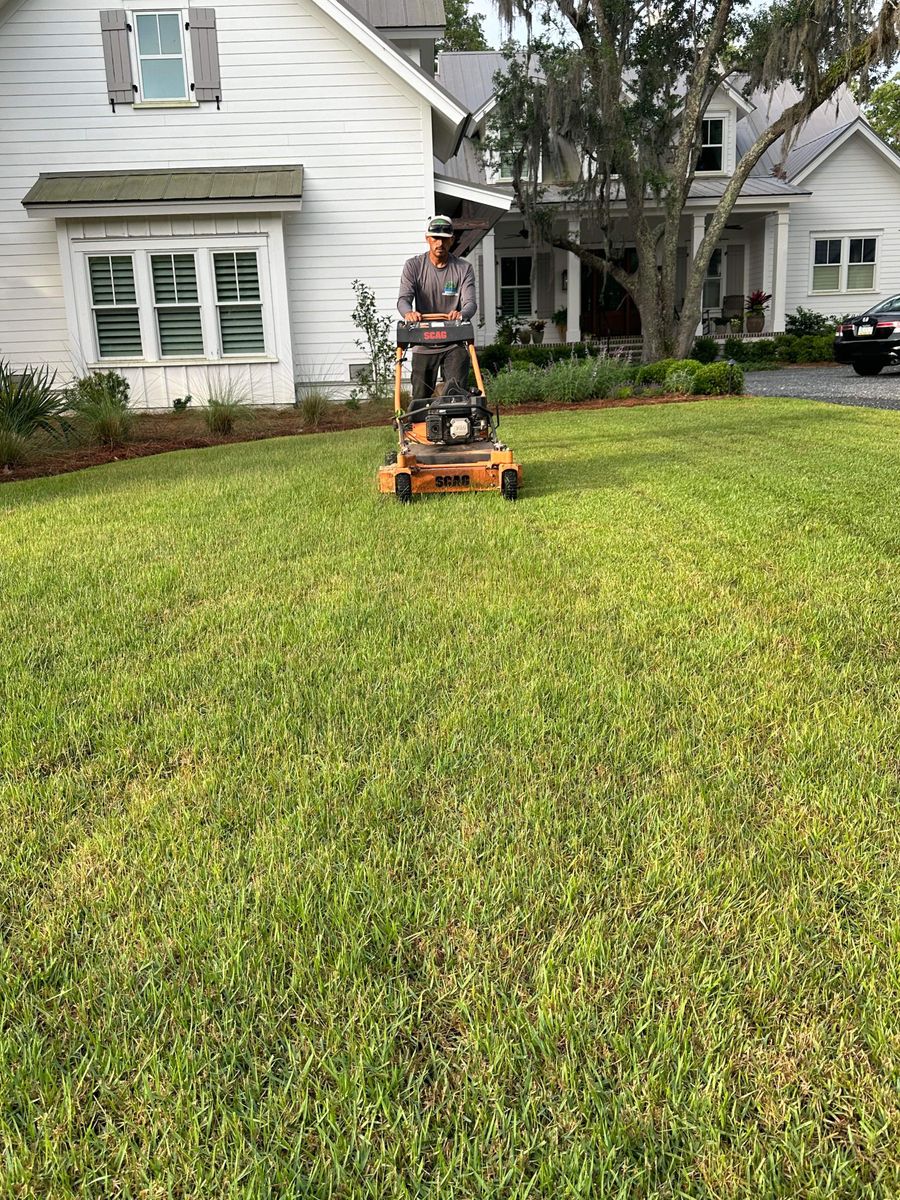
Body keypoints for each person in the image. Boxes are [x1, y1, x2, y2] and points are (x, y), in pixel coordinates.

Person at [397, 215, 477, 405]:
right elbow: (403, 300)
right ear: (427, 239)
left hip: (453, 341)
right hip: (423, 341)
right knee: (420, 398)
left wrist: (461, 314)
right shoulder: (414, 266)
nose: (439, 243)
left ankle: (456, 431)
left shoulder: (463, 268)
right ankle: (419, 430)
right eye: (435, 238)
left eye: (444, 238)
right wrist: (409, 313)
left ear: (451, 240)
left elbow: (470, 303)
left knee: (455, 396)